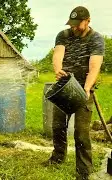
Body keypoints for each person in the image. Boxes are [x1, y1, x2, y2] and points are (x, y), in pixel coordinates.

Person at [45, 6, 105, 180]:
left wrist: (86, 88)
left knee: (81, 131)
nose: (74, 27)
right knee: (57, 126)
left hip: (83, 88)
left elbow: (94, 66)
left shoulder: (96, 39)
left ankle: (84, 171)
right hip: (64, 86)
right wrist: (58, 70)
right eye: (72, 24)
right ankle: (57, 158)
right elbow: (58, 55)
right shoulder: (63, 35)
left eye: (78, 24)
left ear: (88, 21)